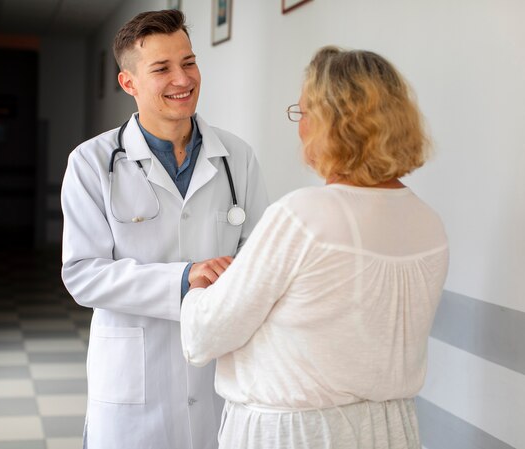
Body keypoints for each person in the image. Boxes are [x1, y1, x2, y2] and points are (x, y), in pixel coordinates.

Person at [181, 46, 449, 449]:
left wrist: (200, 286)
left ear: (330, 123)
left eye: (303, 112)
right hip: (392, 431)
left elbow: (203, 336)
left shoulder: (303, 216)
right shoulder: (429, 224)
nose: (300, 127)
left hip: (297, 435)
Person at [60, 9, 268, 449]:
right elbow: (82, 274)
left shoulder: (237, 158)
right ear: (129, 83)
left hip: (218, 374)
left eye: (189, 62)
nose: (183, 79)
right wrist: (182, 278)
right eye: (162, 68)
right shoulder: (91, 163)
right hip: (133, 383)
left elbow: (259, 257)